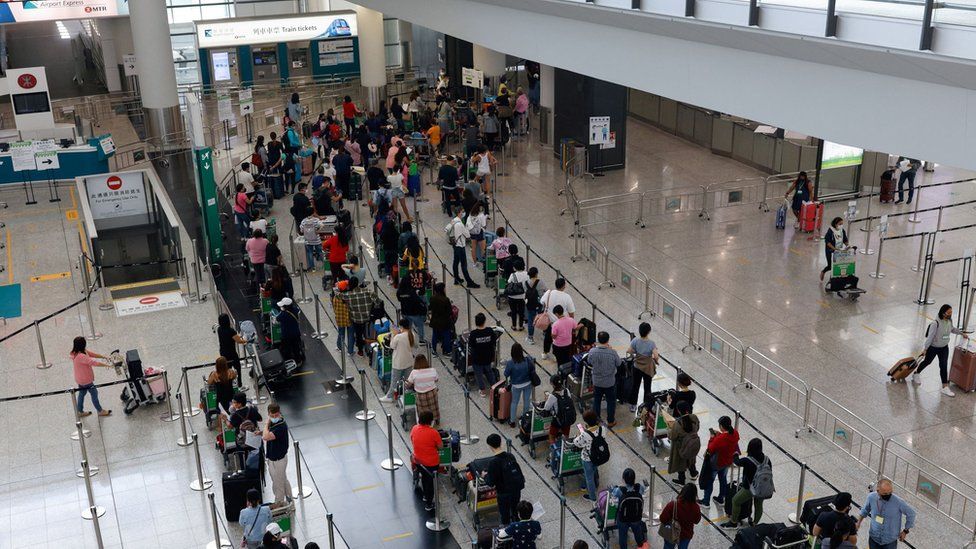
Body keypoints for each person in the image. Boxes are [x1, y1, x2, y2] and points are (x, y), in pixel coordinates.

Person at [913, 303, 969, 396]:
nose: (950, 314)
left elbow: (952, 329)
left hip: (944, 347)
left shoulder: (949, 320)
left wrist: (961, 333)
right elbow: (930, 337)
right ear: (943, 313)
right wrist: (925, 349)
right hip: (933, 347)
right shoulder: (935, 323)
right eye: (949, 312)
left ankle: (945, 387)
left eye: (951, 312)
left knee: (943, 366)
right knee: (927, 361)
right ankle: (916, 373)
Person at [722, 438, 769, 528]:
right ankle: (755, 524)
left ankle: (733, 522)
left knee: (736, 500)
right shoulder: (767, 459)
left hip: (750, 488)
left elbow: (737, 462)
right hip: (762, 487)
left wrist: (735, 453)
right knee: (758, 505)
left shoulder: (748, 460)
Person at [857, 479, 916, 549]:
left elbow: (911, 514)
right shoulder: (871, 497)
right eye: (885, 493)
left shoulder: (898, 502)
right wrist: (858, 523)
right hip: (874, 538)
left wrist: (905, 531)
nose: (888, 495)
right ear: (878, 491)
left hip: (890, 541)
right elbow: (865, 510)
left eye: (890, 492)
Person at [698, 415, 739, 507]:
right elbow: (729, 441)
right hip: (727, 462)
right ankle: (721, 498)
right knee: (723, 479)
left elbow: (710, 449)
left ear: (721, 426)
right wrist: (720, 435)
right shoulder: (735, 433)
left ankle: (706, 501)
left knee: (709, 481)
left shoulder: (719, 439)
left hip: (716, 463)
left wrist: (712, 437)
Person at [485, 433, 525, 525]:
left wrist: (485, 476)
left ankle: (507, 531)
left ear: (490, 446)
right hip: (516, 490)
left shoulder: (493, 462)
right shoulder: (510, 456)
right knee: (515, 510)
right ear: (501, 443)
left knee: (505, 514)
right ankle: (517, 526)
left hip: (503, 493)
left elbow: (490, 482)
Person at [70, 337, 113, 417]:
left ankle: (79, 411)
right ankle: (100, 410)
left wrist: (103, 357)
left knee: (82, 393)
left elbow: (91, 354)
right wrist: (107, 365)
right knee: (94, 393)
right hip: (86, 380)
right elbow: (93, 362)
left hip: (80, 379)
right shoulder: (81, 356)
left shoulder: (75, 352)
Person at [410, 410, 443, 512]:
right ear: (430, 421)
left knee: (424, 478)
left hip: (418, 461)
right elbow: (441, 447)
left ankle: (425, 495)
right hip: (431, 463)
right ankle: (429, 504)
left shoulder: (414, 428)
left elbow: (412, 439)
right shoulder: (433, 432)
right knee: (430, 483)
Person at [588, 331, 621, 427]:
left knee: (597, 400)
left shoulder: (592, 351)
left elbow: (589, 361)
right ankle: (610, 421)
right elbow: (619, 363)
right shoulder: (612, 353)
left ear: (598, 340)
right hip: (609, 382)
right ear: (608, 340)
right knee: (611, 401)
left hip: (597, 381)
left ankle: (596, 420)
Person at [261, 403, 292, 505]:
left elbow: (266, 437)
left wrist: (266, 423)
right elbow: (266, 434)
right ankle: (290, 499)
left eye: (276, 415)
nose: (274, 417)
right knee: (282, 479)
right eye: (272, 416)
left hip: (279, 460)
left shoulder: (281, 426)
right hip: (272, 458)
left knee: (278, 483)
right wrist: (262, 432)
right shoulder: (274, 423)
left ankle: (279, 503)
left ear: (279, 413)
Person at [339, 277, 379, 356]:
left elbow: (338, 295)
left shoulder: (348, 295)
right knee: (366, 332)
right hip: (367, 317)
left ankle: (360, 350)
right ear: (358, 283)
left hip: (356, 319)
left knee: (358, 334)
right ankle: (368, 346)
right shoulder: (367, 291)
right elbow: (377, 300)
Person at [381, 318, 418, 402]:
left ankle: (389, 397)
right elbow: (415, 345)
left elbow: (392, 346)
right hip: (409, 362)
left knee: (394, 381)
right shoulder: (412, 334)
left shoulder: (398, 336)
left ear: (401, 326)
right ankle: (405, 396)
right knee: (407, 381)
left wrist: (394, 334)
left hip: (398, 363)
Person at [572, 410, 605, 501]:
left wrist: (579, 435)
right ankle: (584, 485)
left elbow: (577, 443)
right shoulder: (602, 429)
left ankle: (592, 497)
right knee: (592, 470)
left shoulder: (585, 434)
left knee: (589, 478)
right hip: (598, 456)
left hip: (588, 458)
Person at [627, 322, 659, 412]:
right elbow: (656, 356)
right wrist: (655, 361)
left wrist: (636, 355)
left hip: (637, 366)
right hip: (648, 368)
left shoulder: (635, 340)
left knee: (635, 385)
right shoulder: (652, 343)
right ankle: (646, 405)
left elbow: (629, 351)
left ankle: (633, 405)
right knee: (647, 387)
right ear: (649, 331)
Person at [612, 468, 648, 549]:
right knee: (637, 531)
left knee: (622, 535)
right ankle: (640, 545)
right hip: (636, 517)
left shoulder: (620, 490)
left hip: (623, 519)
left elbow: (613, 493)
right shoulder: (639, 487)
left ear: (623, 479)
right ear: (634, 479)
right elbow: (644, 490)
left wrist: (612, 489)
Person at [659, 483, 703, 549]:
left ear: (683, 491)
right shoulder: (696, 507)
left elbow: (663, 519)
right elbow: (697, 521)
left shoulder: (673, 504)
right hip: (686, 534)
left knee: (668, 547)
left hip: (671, 532)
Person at [541, 278, 575, 360]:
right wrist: (570, 322)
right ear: (564, 286)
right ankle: (556, 355)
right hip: (562, 323)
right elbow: (571, 312)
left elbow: (542, 301)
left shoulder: (549, 293)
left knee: (548, 337)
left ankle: (545, 353)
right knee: (558, 339)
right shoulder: (567, 297)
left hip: (550, 321)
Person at [469, 313, 502, 397]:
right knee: (489, 372)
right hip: (488, 357)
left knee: (479, 375)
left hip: (477, 359)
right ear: (484, 321)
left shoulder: (473, 334)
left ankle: (483, 390)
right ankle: (494, 387)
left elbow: (471, 346)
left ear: (476, 322)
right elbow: (493, 343)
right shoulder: (490, 331)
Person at [668, 403, 700, 485]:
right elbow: (697, 428)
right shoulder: (694, 417)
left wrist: (669, 428)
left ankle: (681, 480)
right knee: (691, 459)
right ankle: (693, 473)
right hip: (692, 444)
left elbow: (672, 436)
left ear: (679, 411)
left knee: (681, 463)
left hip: (681, 447)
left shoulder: (677, 424)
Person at [504, 343, 535, 426]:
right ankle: (525, 418)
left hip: (516, 385)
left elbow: (506, 374)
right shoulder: (527, 360)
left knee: (514, 402)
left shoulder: (510, 363)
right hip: (528, 383)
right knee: (526, 401)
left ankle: (512, 421)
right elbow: (533, 368)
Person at [447, 208, 479, 288]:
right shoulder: (460, 224)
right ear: (459, 213)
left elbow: (447, 229)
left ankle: (456, 278)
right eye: (462, 212)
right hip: (460, 246)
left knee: (456, 262)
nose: (463, 213)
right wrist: (466, 228)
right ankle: (469, 282)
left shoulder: (453, 220)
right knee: (464, 264)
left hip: (455, 244)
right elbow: (467, 235)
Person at [407, 354, 440, 425]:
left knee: (422, 410)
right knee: (433, 407)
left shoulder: (414, 372)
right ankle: (436, 419)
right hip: (432, 393)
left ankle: (423, 423)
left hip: (421, 395)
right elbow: (436, 379)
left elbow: (409, 384)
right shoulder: (432, 370)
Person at [541, 374, 574, 444]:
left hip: (557, 420)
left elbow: (546, 408)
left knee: (551, 435)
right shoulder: (566, 391)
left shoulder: (552, 396)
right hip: (568, 418)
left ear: (553, 384)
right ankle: (564, 446)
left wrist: (547, 399)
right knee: (566, 435)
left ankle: (553, 451)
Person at [217, 312, 247, 381]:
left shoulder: (219, 329)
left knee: (227, 370)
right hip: (232, 353)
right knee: (237, 368)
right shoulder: (231, 331)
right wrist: (246, 340)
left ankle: (229, 383)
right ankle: (239, 383)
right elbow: (239, 341)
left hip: (223, 352)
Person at [429, 282, 454, 358]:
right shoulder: (446, 299)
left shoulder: (432, 298)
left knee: (435, 336)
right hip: (444, 321)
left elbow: (430, 308)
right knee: (446, 336)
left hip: (435, 320)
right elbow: (450, 312)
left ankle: (434, 350)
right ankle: (447, 351)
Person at [821, 216, 850, 281]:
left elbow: (845, 240)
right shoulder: (830, 231)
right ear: (835, 224)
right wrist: (834, 249)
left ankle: (832, 280)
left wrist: (848, 246)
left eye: (842, 224)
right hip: (830, 250)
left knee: (837, 266)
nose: (841, 225)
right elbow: (828, 242)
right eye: (840, 224)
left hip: (838, 251)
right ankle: (823, 272)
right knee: (830, 266)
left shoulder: (842, 231)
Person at [275, 298, 303, 364]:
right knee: (296, 348)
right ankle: (298, 361)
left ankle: (287, 361)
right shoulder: (296, 309)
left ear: (286, 307)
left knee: (286, 349)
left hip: (286, 335)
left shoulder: (283, 314)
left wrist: (282, 312)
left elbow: (277, 319)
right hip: (296, 333)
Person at [331, 280, 355, 357]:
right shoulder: (349, 297)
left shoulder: (336, 297)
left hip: (340, 319)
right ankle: (350, 351)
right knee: (350, 335)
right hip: (349, 319)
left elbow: (334, 308)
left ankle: (339, 347)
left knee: (341, 333)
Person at [525, 268, 547, 345]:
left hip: (530, 304)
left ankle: (530, 338)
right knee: (543, 317)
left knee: (531, 320)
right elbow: (546, 290)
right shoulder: (541, 282)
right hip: (539, 303)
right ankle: (544, 333)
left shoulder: (526, 283)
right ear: (536, 274)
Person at [507, 260, 530, 331]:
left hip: (512, 296)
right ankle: (520, 326)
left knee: (513, 311)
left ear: (515, 268)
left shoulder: (512, 275)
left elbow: (509, 282)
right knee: (521, 311)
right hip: (522, 296)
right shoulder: (527, 274)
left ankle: (514, 326)